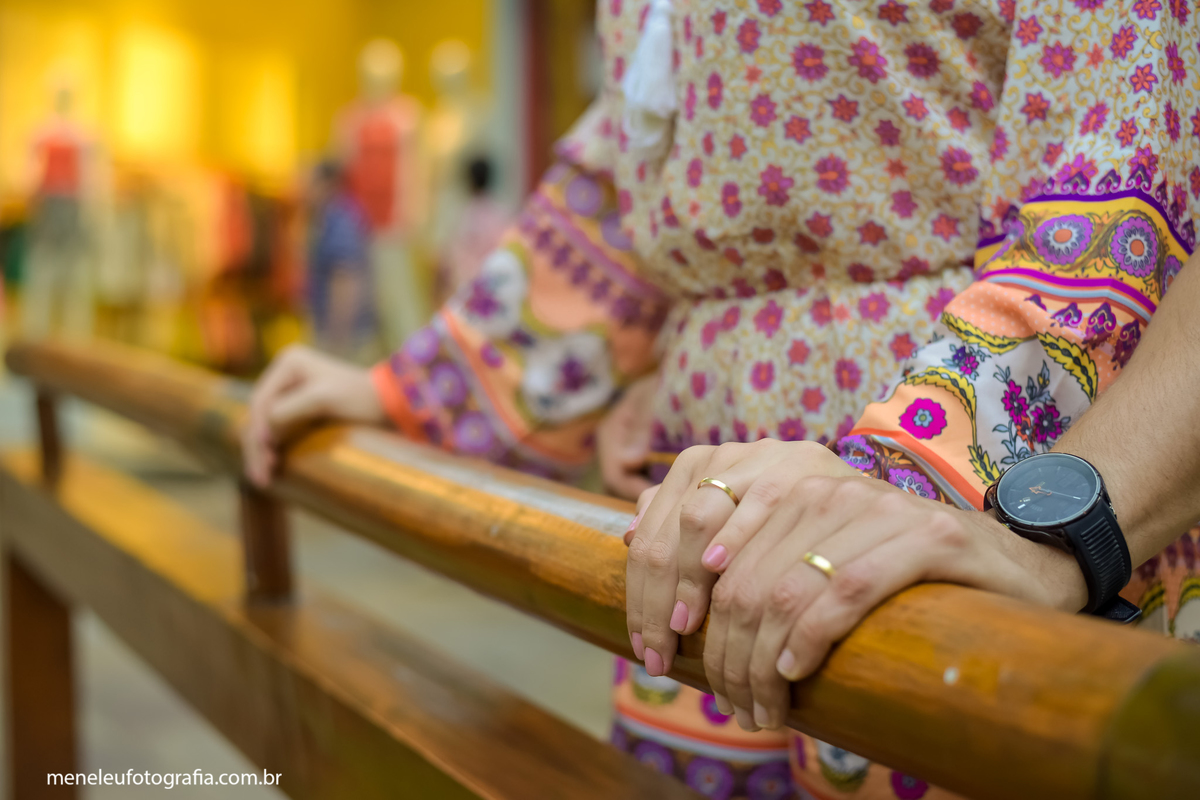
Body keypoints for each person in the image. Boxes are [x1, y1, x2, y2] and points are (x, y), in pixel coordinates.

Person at [246, 2, 1198, 799]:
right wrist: (418, 388)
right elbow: (632, 174)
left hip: (955, 481)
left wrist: (919, 470)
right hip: (707, 509)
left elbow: (1114, 166)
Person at [305, 161, 376, 361]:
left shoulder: (340, 219)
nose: (304, 189)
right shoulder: (327, 215)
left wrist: (337, 340)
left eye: (310, 183)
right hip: (339, 330)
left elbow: (346, 279)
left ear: (328, 184)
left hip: (344, 335)